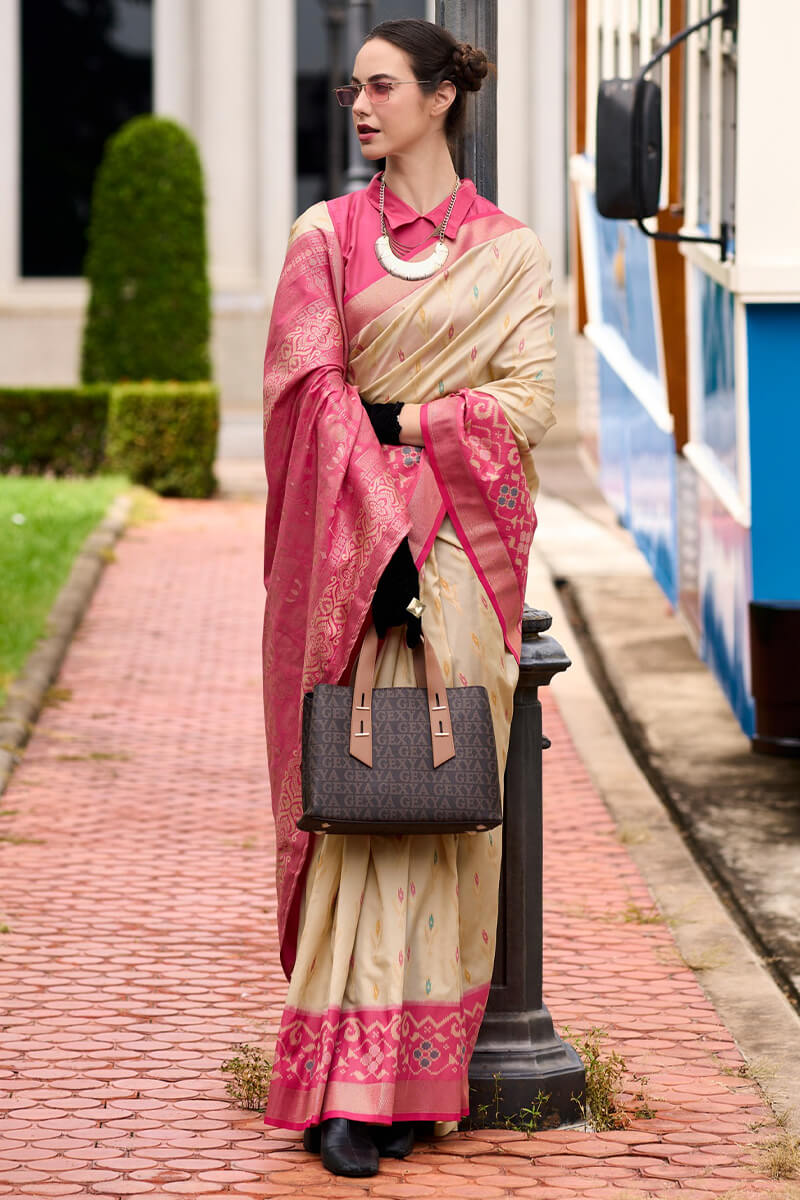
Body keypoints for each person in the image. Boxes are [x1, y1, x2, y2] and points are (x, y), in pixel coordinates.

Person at [260, 17, 556, 1178]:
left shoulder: (512, 254)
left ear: (440, 98)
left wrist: (409, 420)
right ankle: (344, 1092)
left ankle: (415, 1084)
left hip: (465, 560)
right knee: (358, 808)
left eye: (380, 86)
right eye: (352, 87)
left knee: (438, 811)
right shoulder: (324, 237)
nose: (359, 105)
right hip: (356, 558)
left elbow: (528, 401)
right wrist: (379, 533)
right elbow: (303, 389)